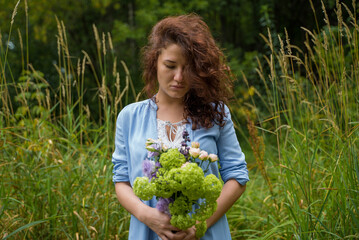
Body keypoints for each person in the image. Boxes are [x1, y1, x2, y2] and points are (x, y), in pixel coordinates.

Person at [112, 14, 249, 240]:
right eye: (170, 65)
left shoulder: (216, 113)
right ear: (154, 61)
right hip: (147, 232)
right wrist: (147, 215)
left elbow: (237, 177)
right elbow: (121, 181)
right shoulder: (129, 117)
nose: (179, 77)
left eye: (188, 68)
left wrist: (199, 225)